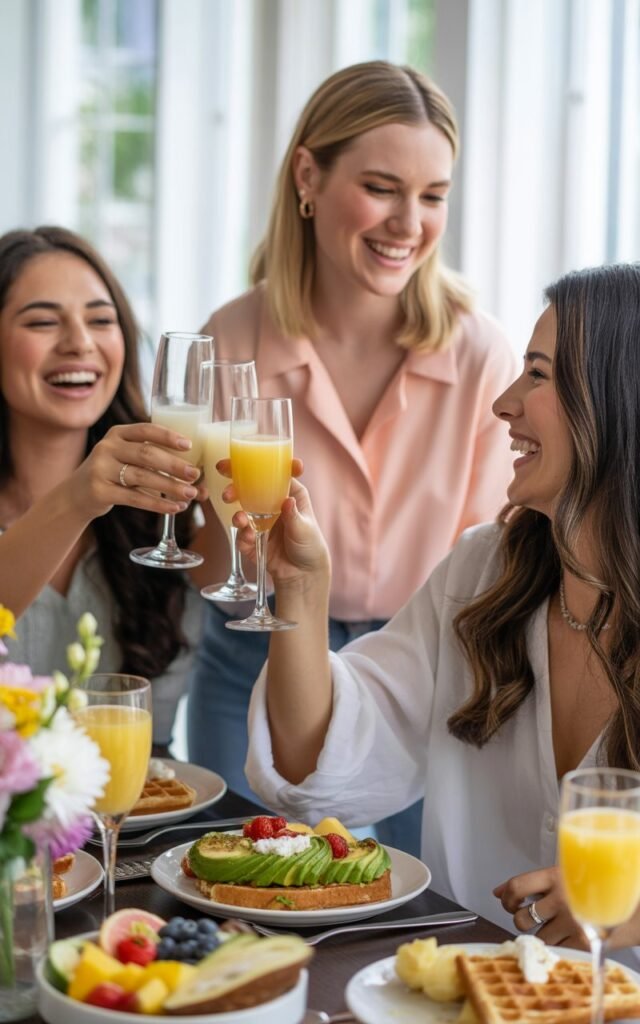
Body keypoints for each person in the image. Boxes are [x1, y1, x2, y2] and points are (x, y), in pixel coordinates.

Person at [235, 260, 640, 950]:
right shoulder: (484, 572)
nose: (504, 403)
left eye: (538, 375)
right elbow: (316, 773)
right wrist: (302, 592)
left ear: (618, 401)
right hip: (458, 990)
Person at [188, 60, 518, 855]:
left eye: (433, 196)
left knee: (422, 912)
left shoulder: (481, 354)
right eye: (381, 187)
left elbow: (492, 561)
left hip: (426, 675)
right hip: (252, 652)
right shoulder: (230, 339)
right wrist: (210, 531)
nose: (409, 222)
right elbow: (210, 564)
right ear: (309, 174)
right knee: (234, 893)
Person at [0, 226, 204, 752]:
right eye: (44, 322)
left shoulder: (156, 519)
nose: (79, 343)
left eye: (101, 320)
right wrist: (76, 498)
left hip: (136, 824)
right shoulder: (91, 497)